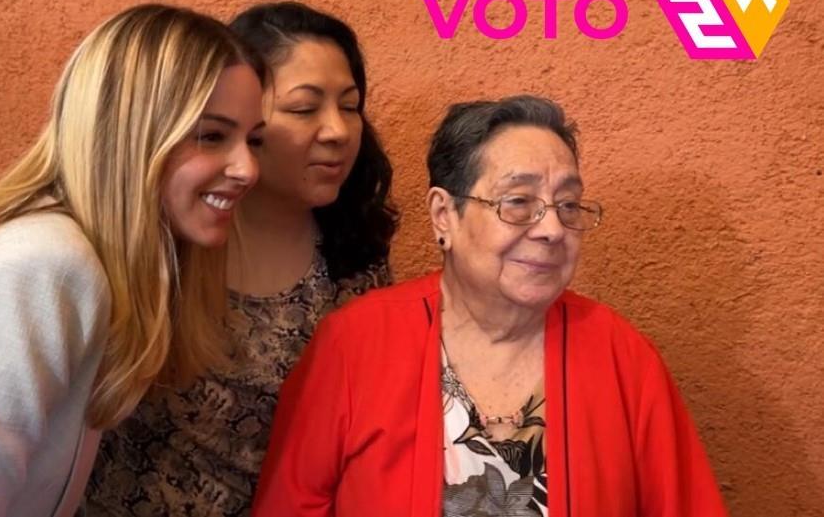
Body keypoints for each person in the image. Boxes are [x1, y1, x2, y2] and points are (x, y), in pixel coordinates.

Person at [0, 4, 267, 517]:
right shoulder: (44, 268)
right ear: (130, 134)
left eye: (253, 139)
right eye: (211, 136)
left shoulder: (83, 260)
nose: (248, 168)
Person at [252, 95, 728, 517]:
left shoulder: (622, 357)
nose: (552, 229)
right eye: (518, 202)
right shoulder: (354, 345)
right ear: (445, 215)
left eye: (567, 205)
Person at [85, 2, 398, 516]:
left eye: (350, 105)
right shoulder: (161, 243)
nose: (338, 131)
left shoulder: (357, 261)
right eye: (304, 108)